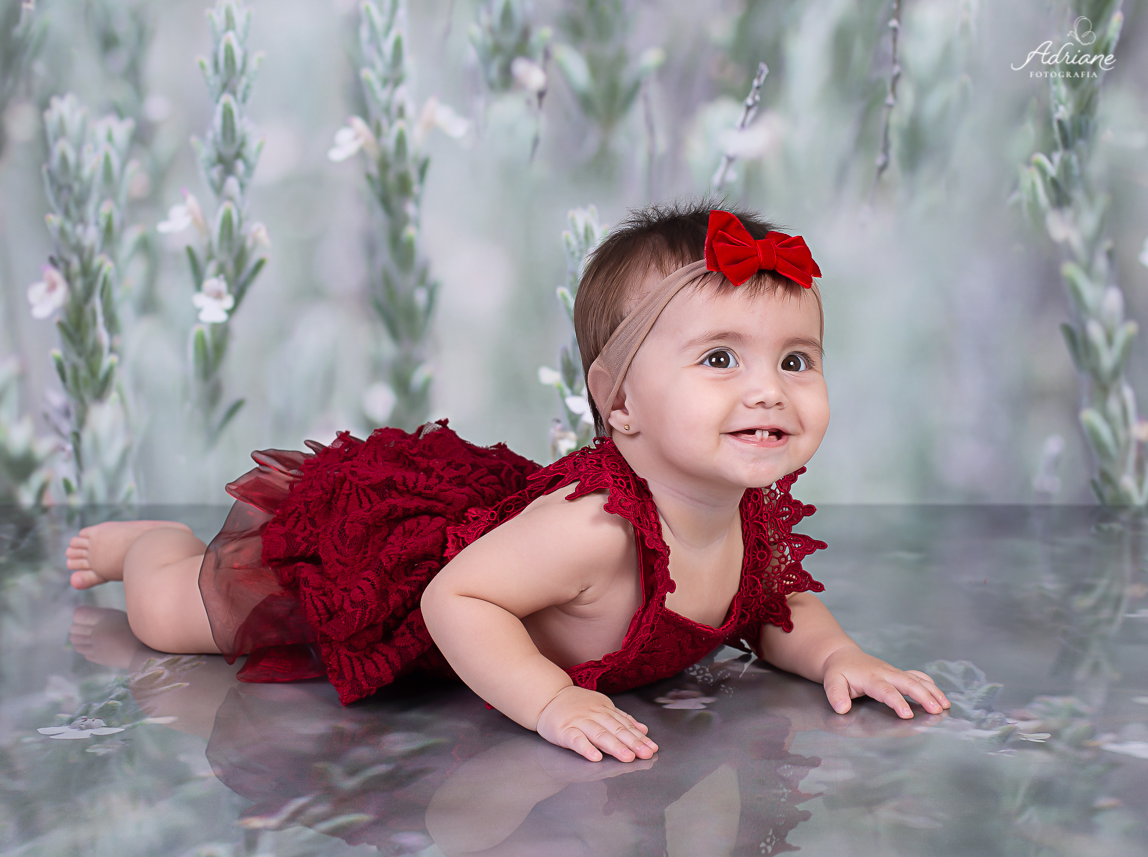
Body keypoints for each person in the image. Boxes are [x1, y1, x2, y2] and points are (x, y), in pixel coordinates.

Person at [64, 200, 951, 764]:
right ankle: (153, 546)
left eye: (796, 359)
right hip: (384, 579)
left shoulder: (747, 515)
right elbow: (456, 597)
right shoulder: (591, 529)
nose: (769, 389)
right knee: (176, 615)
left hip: (489, 550)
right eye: (720, 358)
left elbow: (773, 602)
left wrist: (837, 656)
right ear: (619, 402)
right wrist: (549, 699)